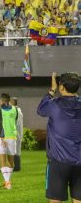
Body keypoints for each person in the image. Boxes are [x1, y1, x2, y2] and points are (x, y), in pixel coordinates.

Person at [37, 72, 81, 203]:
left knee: (55, 200)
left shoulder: (54, 104)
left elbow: (40, 110)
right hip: (80, 162)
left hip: (58, 162)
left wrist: (52, 90)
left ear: (61, 87)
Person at [0, 93, 18, 190]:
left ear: (2, 100)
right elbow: (15, 121)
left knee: (2, 160)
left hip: (2, 137)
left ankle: (7, 181)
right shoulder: (15, 109)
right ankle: (8, 181)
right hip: (12, 137)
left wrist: (1, 136)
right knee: (11, 161)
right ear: (9, 100)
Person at [10, 97, 24, 171]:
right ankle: (17, 166)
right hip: (19, 132)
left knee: (14, 150)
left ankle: (16, 166)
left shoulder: (14, 111)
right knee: (17, 150)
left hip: (14, 133)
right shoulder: (19, 111)